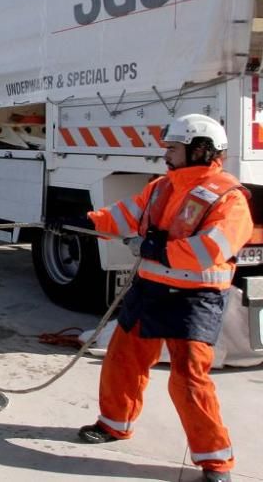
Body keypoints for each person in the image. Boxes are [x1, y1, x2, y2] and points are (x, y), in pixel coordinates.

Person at [49, 114, 250, 482]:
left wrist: (159, 248)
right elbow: (125, 215)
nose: (166, 155)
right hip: (149, 291)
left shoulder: (228, 197)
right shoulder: (161, 188)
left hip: (193, 301)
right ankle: (114, 424)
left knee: (189, 381)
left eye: (173, 148)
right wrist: (86, 220)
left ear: (200, 150)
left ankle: (215, 461)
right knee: (122, 360)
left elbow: (212, 248)